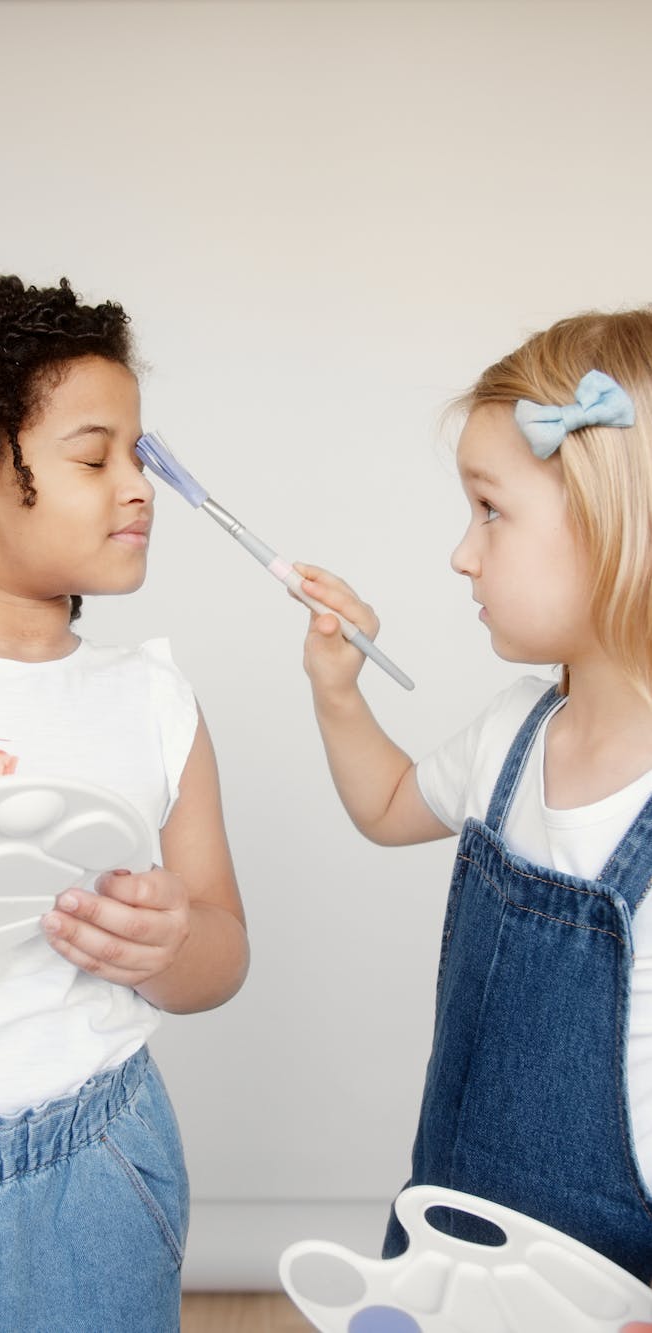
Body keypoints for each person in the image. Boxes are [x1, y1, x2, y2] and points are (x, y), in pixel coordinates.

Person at [0, 273, 249, 1332]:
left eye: (139, 455)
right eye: (95, 457)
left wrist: (166, 940)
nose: (137, 485)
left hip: (87, 1178)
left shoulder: (151, 701)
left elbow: (222, 954)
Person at [296, 308, 652, 1284]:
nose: (462, 552)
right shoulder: (513, 732)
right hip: (453, 1245)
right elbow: (388, 804)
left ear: (618, 524)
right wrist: (338, 688)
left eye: (490, 509)